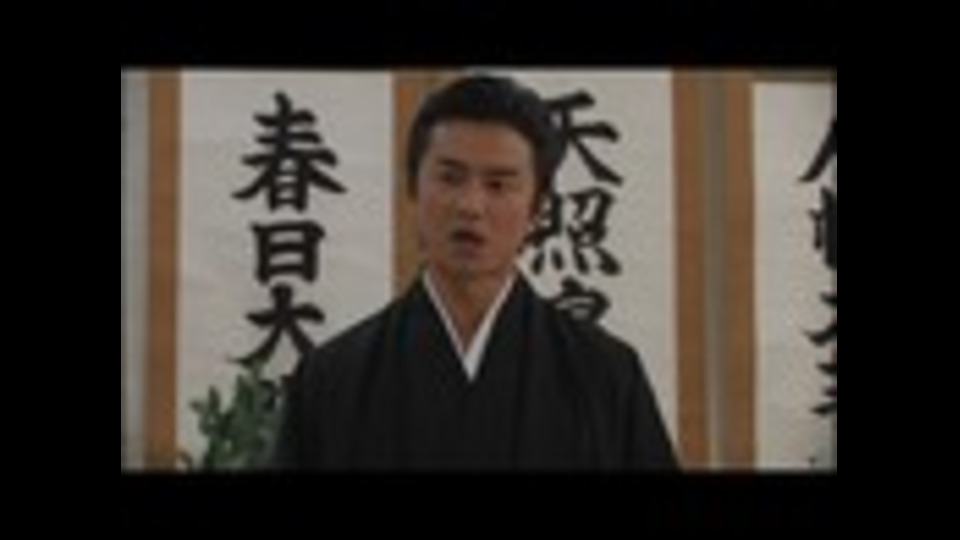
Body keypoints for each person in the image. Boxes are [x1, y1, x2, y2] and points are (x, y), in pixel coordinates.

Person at [272, 73, 678, 470]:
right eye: (450, 178)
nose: (470, 205)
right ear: (412, 188)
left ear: (537, 209)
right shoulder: (333, 379)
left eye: (498, 185)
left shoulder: (605, 375)